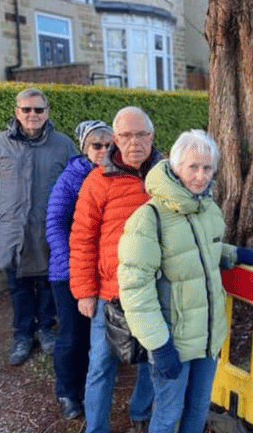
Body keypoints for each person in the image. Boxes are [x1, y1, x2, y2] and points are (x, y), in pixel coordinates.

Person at [117, 130, 253, 433]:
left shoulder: (207, 209)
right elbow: (135, 290)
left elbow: (199, 250)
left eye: (207, 168)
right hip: (173, 342)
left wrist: (234, 253)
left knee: (197, 411)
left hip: (208, 336)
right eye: (193, 167)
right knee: (168, 414)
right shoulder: (148, 219)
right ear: (175, 165)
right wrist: (159, 345)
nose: (200, 176)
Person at [69, 107, 162, 433]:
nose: (134, 142)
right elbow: (82, 238)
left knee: (153, 361)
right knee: (101, 366)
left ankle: (140, 412)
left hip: (155, 291)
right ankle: (96, 428)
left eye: (141, 134)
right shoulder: (98, 181)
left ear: (151, 136)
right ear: (115, 139)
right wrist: (84, 291)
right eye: (126, 135)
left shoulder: (166, 177)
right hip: (111, 293)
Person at [0, 88, 78, 366]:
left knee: (47, 283)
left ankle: (46, 328)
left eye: (38, 110)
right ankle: (22, 334)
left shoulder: (63, 144)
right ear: (16, 112)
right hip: (12, 231)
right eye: (26, 109)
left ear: (47, 113)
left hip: (50, 231)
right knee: (18, 285)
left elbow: (77, 186)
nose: (32, 115)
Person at [45, 120, 113, 420]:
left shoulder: (116, 174)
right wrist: (73, 263)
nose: (103, 150)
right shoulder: (71, 178)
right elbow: (55, 223)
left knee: (93, 333)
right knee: (71, 333)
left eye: (109, 145)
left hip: (99, 269)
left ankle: (89, 385)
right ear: (85, 148)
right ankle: (67, 391)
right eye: (96, 145)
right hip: (69, 270)